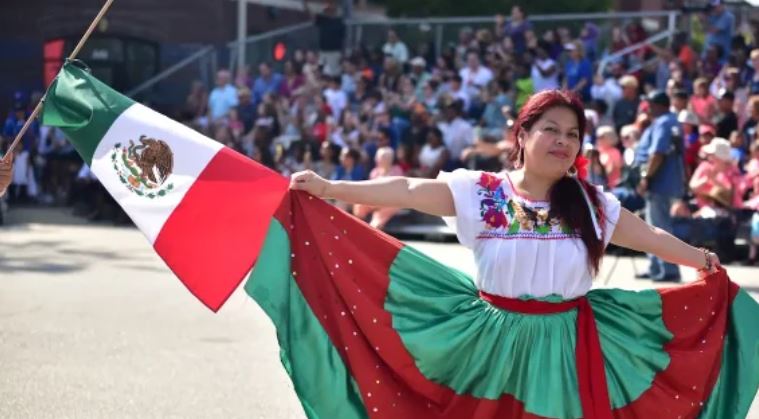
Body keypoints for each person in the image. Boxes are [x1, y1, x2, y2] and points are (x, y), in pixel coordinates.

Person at [288, 90, 758, 418]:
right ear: (523, 134)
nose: (563, 141)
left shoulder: (592, 204)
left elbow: (651, 236)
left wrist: (699, 259)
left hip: (571, 345)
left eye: (573, 134)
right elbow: (409, 189)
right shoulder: (483, 193)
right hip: (492, 342)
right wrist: (330, 188)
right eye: (550, 129)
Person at [635, 90, 686, 282]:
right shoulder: (672, 121)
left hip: (659, 182)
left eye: (651, 104)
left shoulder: (664, 122)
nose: (649, 108)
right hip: (666, 181)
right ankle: (656, 267)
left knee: (659, 227)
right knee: (654, 227)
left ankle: (668, 269)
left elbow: (657, 153)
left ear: (660, 105)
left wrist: (646, 177)